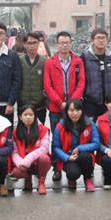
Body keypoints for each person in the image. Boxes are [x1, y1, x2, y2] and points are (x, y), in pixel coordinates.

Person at [44, 31, 86, 182]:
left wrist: (71, 104)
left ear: (71, 44)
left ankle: (74, 165)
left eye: (67, 42)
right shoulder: (50, 62)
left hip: (74, 108)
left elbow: (81, 82)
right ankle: (57, 168)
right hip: (57, 108)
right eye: (62, 43)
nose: (65, 45)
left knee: (75, 137)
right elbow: (47, 86)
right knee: (57, 139)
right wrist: (60, 102)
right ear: (57, 45)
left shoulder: (77, 61)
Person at [52, 99, 100, 191]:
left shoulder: (89, 124)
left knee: (85, 157)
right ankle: (72, 180)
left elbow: (96, 144)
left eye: (78, 110)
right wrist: (67, 157)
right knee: (73, 173)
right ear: (66, 112)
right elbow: (56, 147)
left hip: (84, 155)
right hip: (69, 156)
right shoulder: (60, 126)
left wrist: (79, 148)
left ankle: (88, 179)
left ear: (82, 111)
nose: (75, 113)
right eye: (71, 110)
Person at [10, 104, 52, 194]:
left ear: (35, 116)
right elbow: (14, 152)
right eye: (25, 115)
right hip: (24, 163)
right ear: (20, 117)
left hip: (38, 163)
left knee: (44, 158)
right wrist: (20, 163)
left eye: (31, 115)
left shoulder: (43, 130)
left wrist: (28, 159)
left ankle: (41, 182)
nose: (28, 117)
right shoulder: (15, 132)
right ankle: (27, 178)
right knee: (16, 172)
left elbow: (44, 148)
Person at [81, 28, 111, 121]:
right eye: (98, 38)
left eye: (103, 38)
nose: (101, 40)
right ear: (92, 40)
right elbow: (80, 79)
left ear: (107, 40)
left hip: (109, 102)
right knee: (91, 127)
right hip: (90, 102)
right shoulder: (84, 57)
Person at [19, 32, 48, 124]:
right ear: (24, 44)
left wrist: (44, 97)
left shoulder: (45, 61)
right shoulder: (19, 61)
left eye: (34, 43)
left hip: (40, 105)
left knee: (40, 129)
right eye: (29, 43)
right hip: (23, 104)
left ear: (39, 43)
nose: (32, 46)